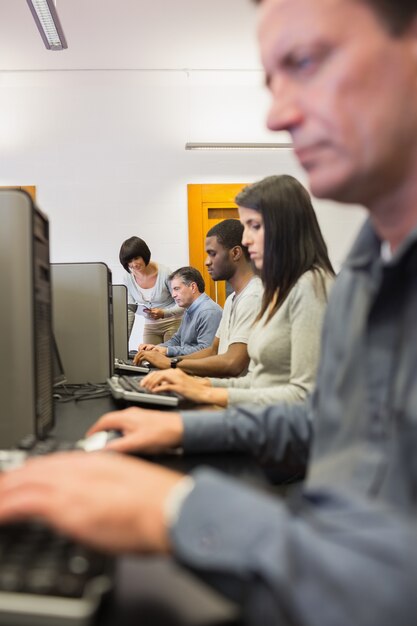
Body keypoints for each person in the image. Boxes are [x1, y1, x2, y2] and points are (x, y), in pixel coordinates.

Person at [1, 2, 417, 626]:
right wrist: (181, 428)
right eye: (273, 82)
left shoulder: (318, 283)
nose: (278, 112)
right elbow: (325, 426)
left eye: (306, 61)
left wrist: (176, 511)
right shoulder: (367, 268)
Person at [142, 174, 334, 406]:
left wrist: (188, 377)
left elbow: (305, 396)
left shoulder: (310, 286)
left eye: (254, 226)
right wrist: (198, 384)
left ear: (285, 227)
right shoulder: (279, 291)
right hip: (259, 417)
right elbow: (259, 381)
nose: (246, 239)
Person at [133, 219, 263, 376]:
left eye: (212, 254)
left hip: (237, 394)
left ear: (235, 253)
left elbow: (232, 364)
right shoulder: (232, 300)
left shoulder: (252, 297)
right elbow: (213, 350)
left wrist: (170, 364)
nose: (206, 262)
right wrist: (169, 361)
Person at [138, 266, 222, 358]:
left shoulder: (209, 311)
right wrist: (155, 348)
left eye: (177, 289)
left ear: (193, 287)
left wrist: (168, 351)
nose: (173, 295)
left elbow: (206, 351)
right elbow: (177, 340)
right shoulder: (189, 308)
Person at [120, 236, 183, 344]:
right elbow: (130, 309)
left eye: (136, 258)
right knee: (149, 357)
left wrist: (164, 312)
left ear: (144, 255)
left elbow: (182, 303)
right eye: (130, 261)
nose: (134, 264)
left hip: (172, 322)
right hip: (151, 326)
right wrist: (123, 342)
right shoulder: (128, 277)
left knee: (169, 358)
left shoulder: (165, 273)